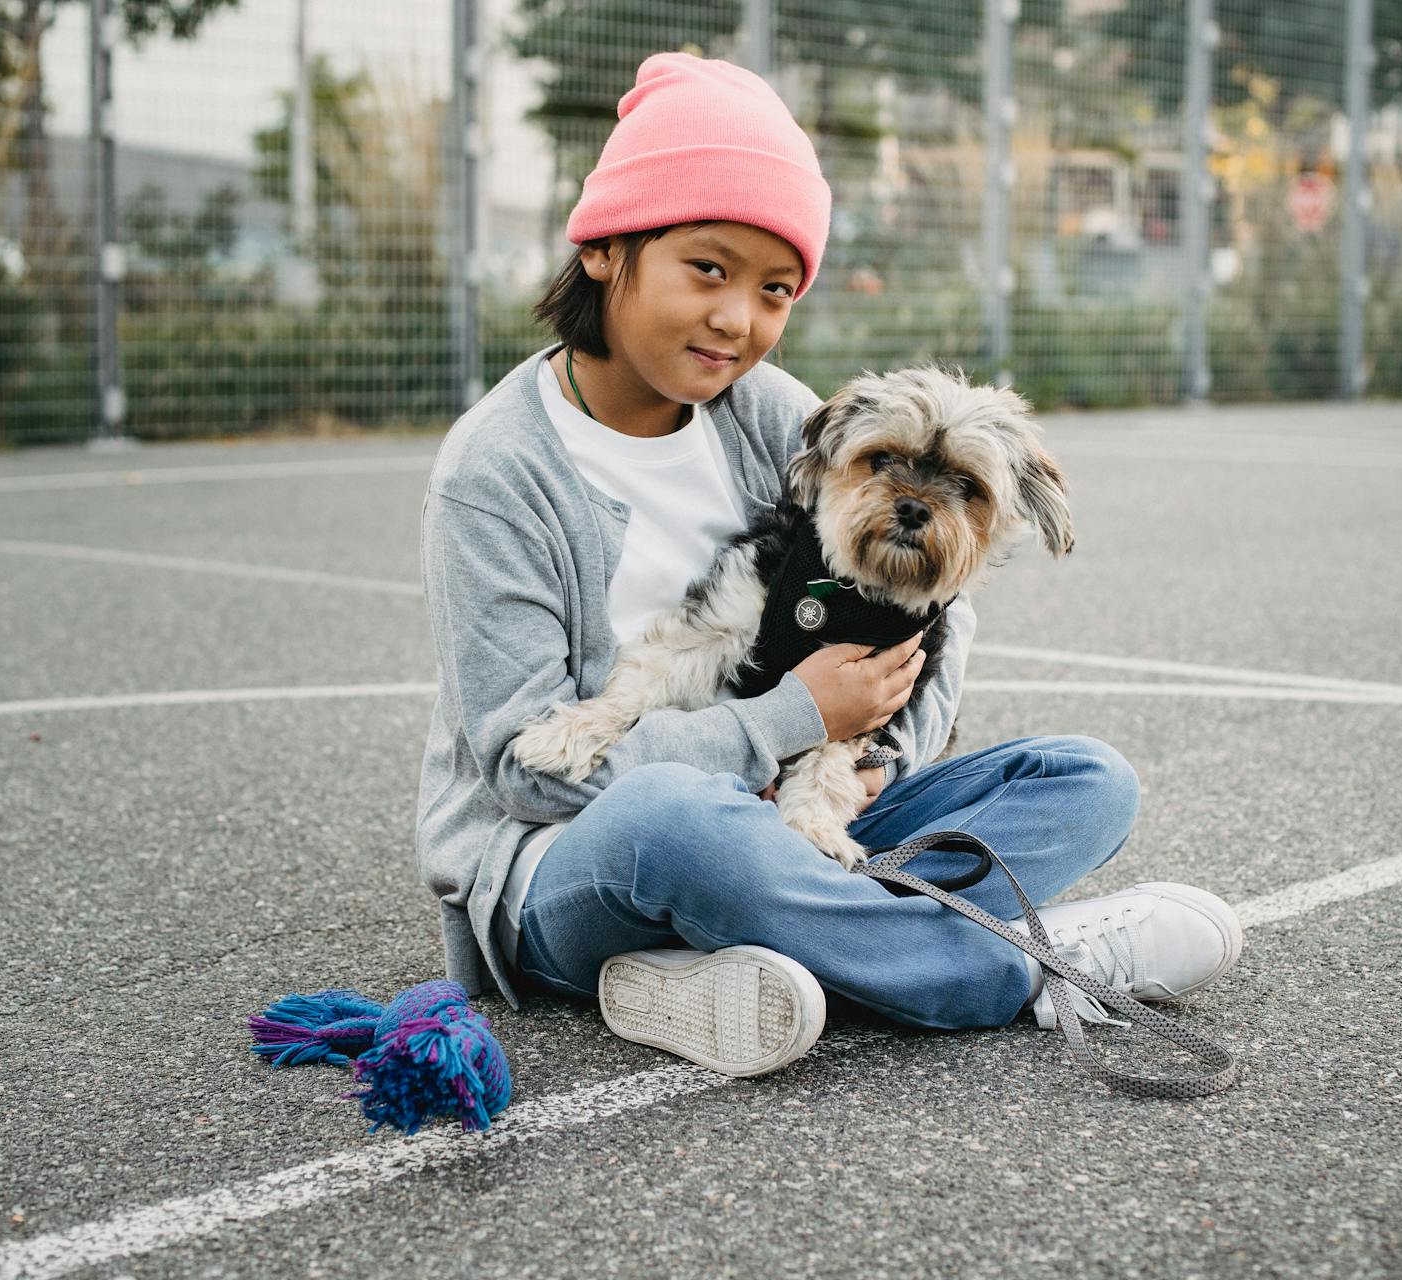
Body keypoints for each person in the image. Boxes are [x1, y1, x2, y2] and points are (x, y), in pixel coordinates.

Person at [417, 51, 1244, 1077]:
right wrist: (788, 722)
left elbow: (931, 624)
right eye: (707, 270)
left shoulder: (770, 410)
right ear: (605, 249)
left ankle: (754, 953)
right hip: (570, 860)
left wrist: (859, 766)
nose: (738, 321)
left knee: (1086, 779)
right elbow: (523, 772)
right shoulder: (497, 470)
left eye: (775, 290)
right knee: (679, 820)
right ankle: (1016, 966)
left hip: (801, 809)